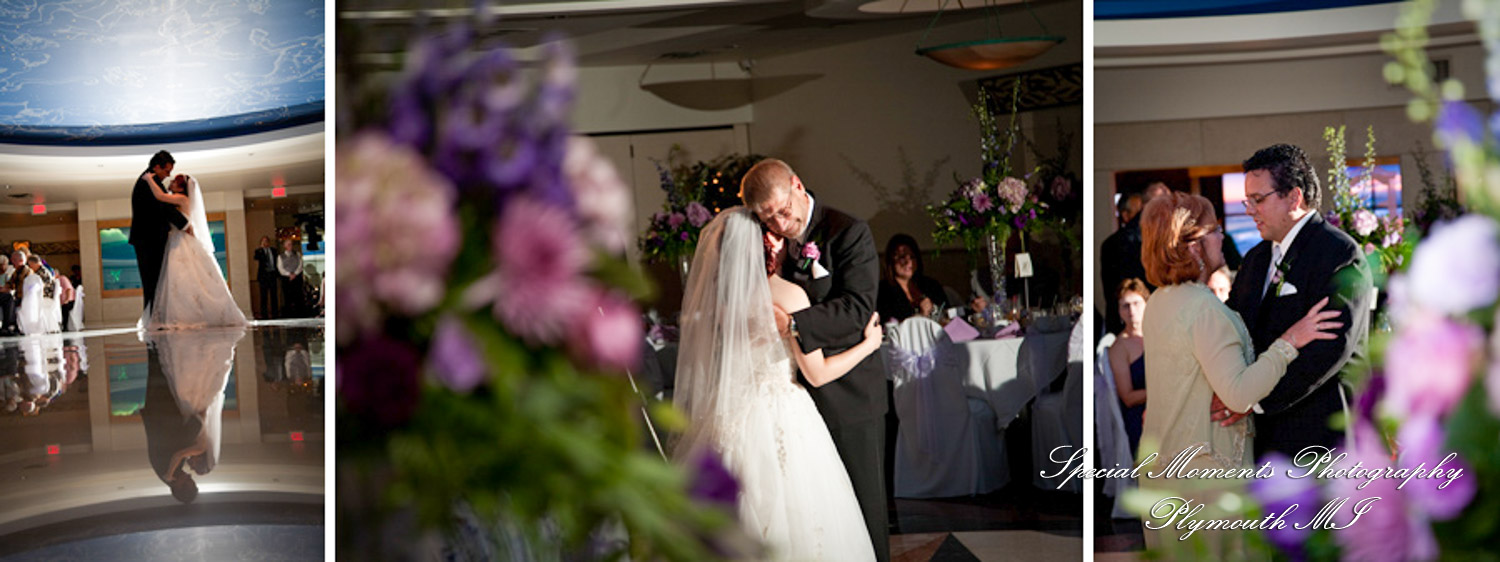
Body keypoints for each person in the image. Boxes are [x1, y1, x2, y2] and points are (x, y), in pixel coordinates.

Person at [1136, 192, 1341, 552]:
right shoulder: (1203, 310)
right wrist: (1290, 340)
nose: (1222, 237)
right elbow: (1239, 393)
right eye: (1214, 230)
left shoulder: (1158, 302)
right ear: (1194, 246)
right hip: (1206, 476)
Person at [674, 208, 881, 561]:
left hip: (726, 415)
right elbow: (817, 373)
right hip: (784, 412)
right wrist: (869, 345)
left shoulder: (714, 307)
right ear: (764, 243)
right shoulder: (789, 296)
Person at [740, 158, 890, 561]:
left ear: (797, 185)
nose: (779, 224)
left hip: (851, 395)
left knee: (864, 511)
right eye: (768, 218)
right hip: (799, 399)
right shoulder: (770, 240)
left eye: (783, 211)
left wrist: (792, 323)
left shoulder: (848, 232)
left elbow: (858, 309)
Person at [1219, 144, 1373, 458]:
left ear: (1294, 197)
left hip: (1321, 433)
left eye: (1258, 200)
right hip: (1262, 436)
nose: (1250, 210)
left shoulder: (1339, 254)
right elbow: (1234, 328)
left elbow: (1329, 350)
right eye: (1247, 201)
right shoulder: (1255, 259)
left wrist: (1255, 401)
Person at [139, 173, 248, 330]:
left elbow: (159, 195)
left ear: (181, 188)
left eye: (175, 182)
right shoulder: (176, 200)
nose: (171, 182)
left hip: (181, 241)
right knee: (179, 279)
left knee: (184, 276)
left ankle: (193, 314)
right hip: (176, 240)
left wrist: (149, 179)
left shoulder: (182, 199)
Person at [130, 151, 189, 314]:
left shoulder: (149, 179)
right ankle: (153, 318)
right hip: (149, 239)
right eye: (167, 171)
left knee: (154, 280)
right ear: (157, 167)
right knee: (153, 280)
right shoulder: (150, 180)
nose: (168, 175)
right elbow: (163, 205)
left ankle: (153, 316)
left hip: (147, 238)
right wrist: (185, 224)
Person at [1107, 278, 1150, 457]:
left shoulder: (1157, 334)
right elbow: (1128, 398)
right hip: (1139, 420)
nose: (1132, 310)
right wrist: (1162, 392)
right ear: (1119, 310)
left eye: (1136, 303)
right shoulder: (1119, 347)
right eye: (1125, 305)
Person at [876, 234, 949, 323]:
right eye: (902, 257)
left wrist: (934, 310)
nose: (908, 262)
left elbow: (948, 313)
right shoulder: (882, 291)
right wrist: (919, 316)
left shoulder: (931, 285)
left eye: (912, 257)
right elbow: (886, 323)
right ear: (891, 260)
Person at [18, 256, 60, 335]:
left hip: (46, 297)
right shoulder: (43, 270)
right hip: (47, 296)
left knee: (28, 304)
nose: (30, 267)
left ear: (34, 263)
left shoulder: (41, 273)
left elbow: (39, 287)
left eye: (30, 265)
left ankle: (32, 327)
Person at [253, 236, 280, 319]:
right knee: (263, 296)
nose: (265, 243)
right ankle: (264, 314)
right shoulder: (259, 251)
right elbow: (256, 258)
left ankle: (275, 313)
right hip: (263, 276)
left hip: (272, 274)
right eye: (263, 241)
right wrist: (261, 249)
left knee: (274, 295)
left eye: (266, 241)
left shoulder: (273, 250)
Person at [278, 239, 305, 317]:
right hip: (286, 279)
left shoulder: (297, 254)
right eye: (288, 244)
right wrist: (288, 274)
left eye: (291, 244)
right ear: (285, 246)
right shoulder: (280, 256)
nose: (290, 246)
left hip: (297, 278)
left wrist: (295, 274)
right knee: (287, 297)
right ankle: (289, 314)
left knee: (298, 297)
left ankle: (299, 314)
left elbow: (300, 265)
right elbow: (280, 268)